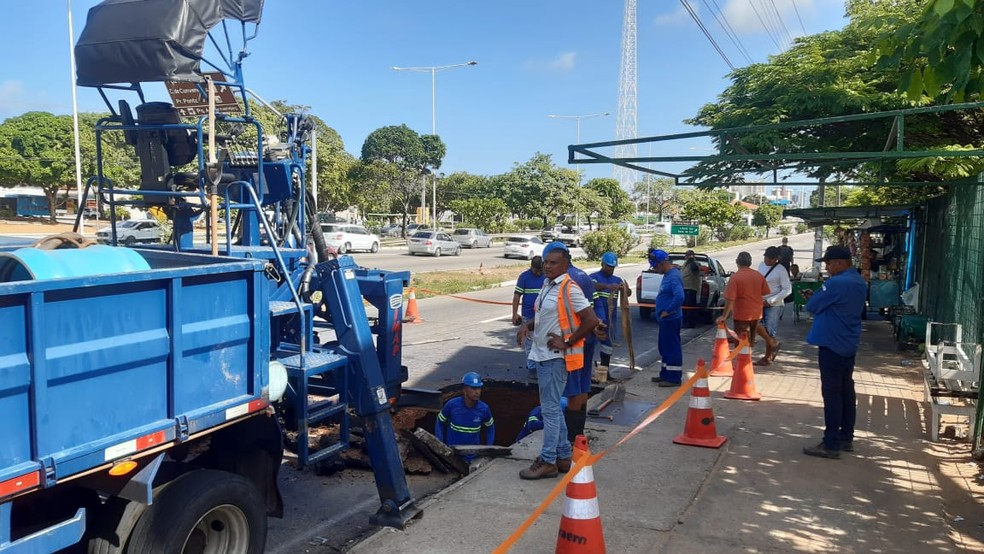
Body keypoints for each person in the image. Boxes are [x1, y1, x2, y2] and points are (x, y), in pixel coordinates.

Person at [516, 242, 600, 479]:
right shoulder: (547, 285)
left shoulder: (569, 288)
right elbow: (545, 316)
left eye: (553, 263)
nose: (547, 266)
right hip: (542, 355)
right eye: (546, 262)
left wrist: (568, 341)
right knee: (552, 408)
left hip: (555, 358)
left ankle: (548, 460)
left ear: (565, 265)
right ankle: (563, 456)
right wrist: (527, 325)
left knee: (550, 410)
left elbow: (591, 320)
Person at [800, 246, 868, 459]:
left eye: (828, 264)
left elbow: (813, 306)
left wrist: (815, 296)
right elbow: (835, 304)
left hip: (832, 344)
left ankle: (831, 443)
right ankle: (846, 437)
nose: (827, 268)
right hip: (848, 343)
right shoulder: (858, 282)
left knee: (832, 394)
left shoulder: (836, 283)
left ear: (839, 262)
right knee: (846, 391)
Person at [716, 252, 771, 358]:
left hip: (742, 314)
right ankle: (747, 361)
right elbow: (765, 292)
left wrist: (724, 316)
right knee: (750, 341)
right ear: (750, 263)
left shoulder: (735, 277)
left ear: (737, 262)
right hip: (756, 313)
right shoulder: (758, 275)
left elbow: (730, 299)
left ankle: (743, 363)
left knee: (741, 341)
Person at [435, 372, 496, 462]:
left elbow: (490, 428)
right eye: (473, 388)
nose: (477, 392)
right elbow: (439, 421)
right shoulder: (452, 405)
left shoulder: (484, 409)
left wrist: (489, 448)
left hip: (473, 457)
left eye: (479, 388)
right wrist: (440, 442)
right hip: (452, 455)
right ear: (464, 390)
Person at [649, 249, 685, 387]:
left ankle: (673, 378)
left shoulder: (673, 276)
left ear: (662, 263)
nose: (655, 270)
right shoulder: (668, 274)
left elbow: (679, 296)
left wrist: (668, 311)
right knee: (664, 347)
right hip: (665, 320)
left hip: (671, 319)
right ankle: (665, 374)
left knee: (671, 348)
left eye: (656, 267)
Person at [590, 251, 629, 371]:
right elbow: (592, 286)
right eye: (608, 266)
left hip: (610, 321)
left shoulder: (617, 280)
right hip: (595, 319)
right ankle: (588, 373)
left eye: (612, 267)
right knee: (590, 345)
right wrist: (607, 287)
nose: (610, 269)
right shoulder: (594, 277)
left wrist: (625, 289)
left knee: (607, 347)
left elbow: (628, 294)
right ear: (602, 264)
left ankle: (604, 372)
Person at [755, 246, 792, 366]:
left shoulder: (781, 270)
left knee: (770, 330)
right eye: (766, 257)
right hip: (760, 301)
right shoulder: (761, 265)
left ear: (777, 259)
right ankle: (773, 343)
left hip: (774, 304)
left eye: (770, 258)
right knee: (755, 324)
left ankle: (767, 357)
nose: (767, 260)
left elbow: (787, 290)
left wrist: (771, 300)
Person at [512, 256, 545, 381]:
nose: (539, 273)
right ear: (532, 267)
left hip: (543, 316)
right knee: (530, 343)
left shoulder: (547, 277)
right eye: (537, 270)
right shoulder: (524, 277)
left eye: (541, 270)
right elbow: (517, 296)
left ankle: (542, 366)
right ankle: (532, 368)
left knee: (542, 342)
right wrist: (514, 314)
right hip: (528, 315)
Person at [680, 250, 702, 329]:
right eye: (687, 255)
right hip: (684, 288)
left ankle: (690, 323)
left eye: (689, 255)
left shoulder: (694, 264)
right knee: (685, 306)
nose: (687, 257)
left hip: (691, 288)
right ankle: (685, 321)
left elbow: (695, 268)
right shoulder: (685, 264)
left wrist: (691, 259)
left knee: (690, 306)